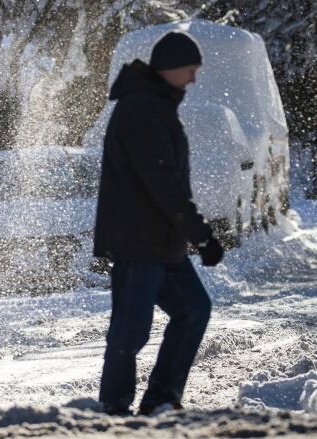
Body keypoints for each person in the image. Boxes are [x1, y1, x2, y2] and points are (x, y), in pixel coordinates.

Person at [93, 31, 225, 416]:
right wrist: (201, 235)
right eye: (190, 71)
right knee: (130, 331)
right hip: (139, 240)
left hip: (162, 242)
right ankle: (114, 406)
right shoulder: (142, 110)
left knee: (194, 310)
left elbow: (168, 182)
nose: (194, 80)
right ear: (169, 68)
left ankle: (161, 397)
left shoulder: (156, 105)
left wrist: (192, 235)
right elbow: (162, 182)